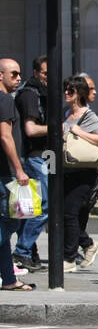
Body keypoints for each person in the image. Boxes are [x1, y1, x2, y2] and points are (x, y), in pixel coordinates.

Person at [60, 75, 98, 273]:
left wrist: (79, 132)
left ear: (79, 94)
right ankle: (88, 245)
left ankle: (69, 258)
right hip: (67, 170)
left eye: (70, 91)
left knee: (69, 214)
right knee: (64, 214)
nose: (66, 94)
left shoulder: (88, 116)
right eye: (65, 90)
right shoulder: (66, 114)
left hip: (84, 172)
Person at [0, 58, 34, 290]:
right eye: (13, 74)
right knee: (11, 224)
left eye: (19, 73)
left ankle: (9, 279)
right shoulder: (4, 101)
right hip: (6, 174)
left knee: (5, 225)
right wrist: (19, 170)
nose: (19, 78)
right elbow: (5, 136)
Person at [13, 55, 49, 273]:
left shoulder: (38, 92)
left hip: (41, 155)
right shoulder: (30, 93)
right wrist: (57, 127)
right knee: (43, 206)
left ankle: (28, 253)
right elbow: (31, 129)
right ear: (36, 73)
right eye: (45, 73)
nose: (49, 78)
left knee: (28, 208)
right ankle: (23, 251)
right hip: (35, 156)